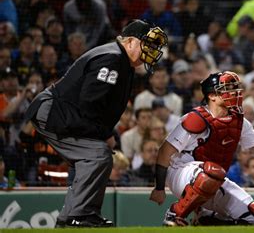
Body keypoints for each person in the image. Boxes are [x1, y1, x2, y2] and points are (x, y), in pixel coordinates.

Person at [24, 20, 168, 228]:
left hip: (66, 114)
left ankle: (71, 217)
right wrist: (104, 134)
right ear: (129, 42)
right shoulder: (112, 58)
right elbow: (90, 102)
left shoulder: (122, 60)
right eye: (148, 43)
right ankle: (79, 215)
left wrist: (104, 134)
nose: (152, 50)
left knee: (97, 156)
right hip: (55, 112)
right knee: (96, 155)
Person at [149, 71, 254, 226]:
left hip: (214, 177)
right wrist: (159, 188)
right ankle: (175, 214)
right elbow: (164, 152)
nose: (234, 92)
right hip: (180, 173)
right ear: (212, 96)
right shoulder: (196, 118)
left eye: (234, 87)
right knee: (209, 174)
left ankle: (206, 219)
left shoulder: (238, 120)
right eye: (227, 88)